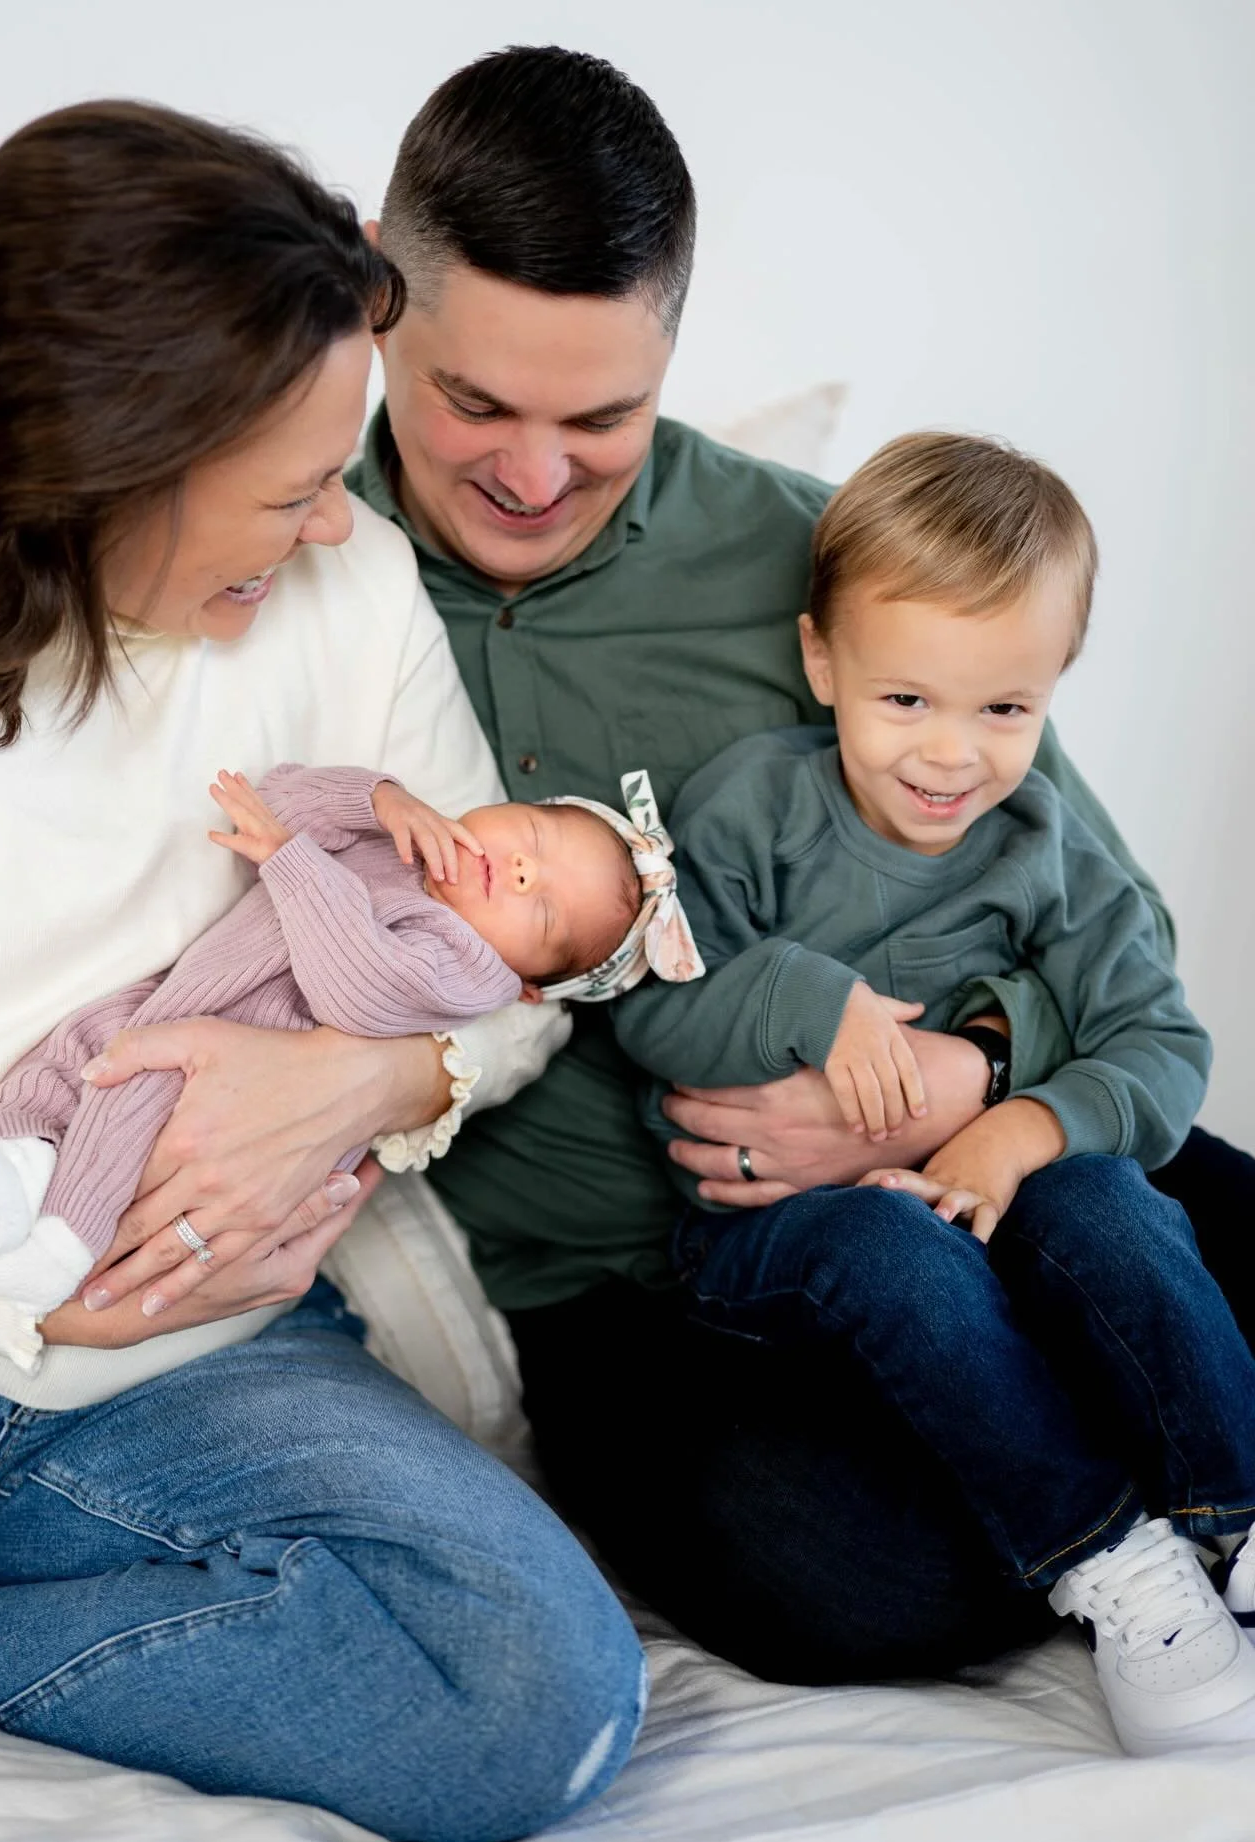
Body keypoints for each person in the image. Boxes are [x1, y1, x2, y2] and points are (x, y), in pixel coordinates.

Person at [345, 43, 1255, 1682]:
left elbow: (1096, 911)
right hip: (635, 1294)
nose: (533, 477)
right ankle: (1111, 1490)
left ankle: (1151, 1461)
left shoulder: (813, 559)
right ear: (373, 301)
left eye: (602, 418)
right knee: (863, 1585)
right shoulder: (291, 593)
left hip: (971, 1151)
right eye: (476, 403)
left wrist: (967, 1075)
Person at [0, 100, 646, 1842]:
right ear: (98, 463)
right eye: (294, 491)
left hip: (198, 1363)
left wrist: (380, 1077)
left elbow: (505, 970)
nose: (342, 528)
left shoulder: (354, 600)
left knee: (531, 1694)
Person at [613, 430, 1255, 1755]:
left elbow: (1159, 1044)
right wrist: (810, 1000)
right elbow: (651, 1005)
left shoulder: (1048, 850)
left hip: (989, 1200)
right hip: (773, 1236)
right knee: (888, 1242)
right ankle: (1110, 1561)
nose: (953, 756)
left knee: (1115, 1201)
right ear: (822, 663)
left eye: (1005, 710)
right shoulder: (751, 812)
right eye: (907, 700)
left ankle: (1235, 1518)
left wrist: (1022, 1125)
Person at [0, 761, 650, 1315]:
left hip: (238, 1074)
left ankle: (53, 1250)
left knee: (123, 1124)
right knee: (67, 1063)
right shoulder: (403, 842)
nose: (521, 871)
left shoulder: (468, 969)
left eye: (542, 911)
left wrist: (294, 863)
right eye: (534, 836)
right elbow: (281, 802)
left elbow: (359, 984)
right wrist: (379, 798)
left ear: (525, 985)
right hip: (175, 1003)